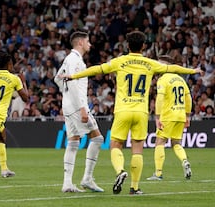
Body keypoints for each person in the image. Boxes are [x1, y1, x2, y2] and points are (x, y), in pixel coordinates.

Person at [61, 31, 203, 195]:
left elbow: (96, 70)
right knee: (137, 150)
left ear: (127, 45)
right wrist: (193, 71)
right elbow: (173, 68)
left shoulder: (120, 61)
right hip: (141, 112)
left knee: (115, 145)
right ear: (143, 46)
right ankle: (134, 187)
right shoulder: (149, 63)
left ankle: (120, 170)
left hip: (123, 110)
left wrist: (73, 76)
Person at [54, 31, 104, 193]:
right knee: (98, 138)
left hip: (68, 106)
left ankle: (67, 183)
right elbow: (74, 84)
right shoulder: (76, 60)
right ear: (81, 42)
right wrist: (83, 108)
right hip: (77, 106)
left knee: (73, 142)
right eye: (88, 41)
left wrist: (65, 93)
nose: (90, 44)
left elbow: (57, 78)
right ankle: (87, 178)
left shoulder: (69, 59)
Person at [147, 55, 192, 181]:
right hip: (180, 114)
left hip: (168, 115)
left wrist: (157, 116)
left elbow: (160, 98)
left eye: (161, 64)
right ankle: (184, 161)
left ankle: (158, 173)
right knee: (176, 143)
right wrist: (187, 115)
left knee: (160, 142)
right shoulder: (181, 79)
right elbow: (189, 98)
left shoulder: (163, 79)